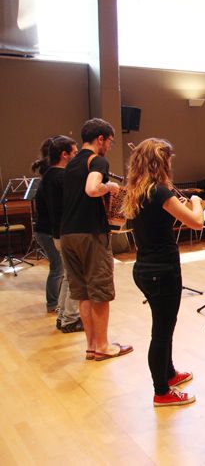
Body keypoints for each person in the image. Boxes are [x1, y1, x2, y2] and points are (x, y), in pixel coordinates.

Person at [123, 138, 204, 407]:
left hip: (145, 268)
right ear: (160, 162)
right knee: (161, 332)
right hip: (162, 270)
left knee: (165, 325)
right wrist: (195, 201)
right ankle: (161, 391)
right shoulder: (159, 193)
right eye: (168, 160)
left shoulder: (138, 191)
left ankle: (168, 373)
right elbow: (196, 222)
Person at [60, 118, 131, 361]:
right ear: (100, 139)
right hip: (90, 234)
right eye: (110, 141)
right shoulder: (98, 160)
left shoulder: (71, 163)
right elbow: (92, 189)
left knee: (83, 293)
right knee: (100, 292)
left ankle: (91, 346)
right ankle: (103, 346)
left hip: (68, 234)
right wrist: (109, 187)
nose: (109, 146)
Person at [32, 135, 83, 332]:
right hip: (65, 233)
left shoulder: (49, 175)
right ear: (64, 155)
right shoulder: (61, 177)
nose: (77, 155)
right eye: (75, 152)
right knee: (74, 278)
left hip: (57, 234)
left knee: (68, 276)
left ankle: (63, 316)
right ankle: (70, 319)